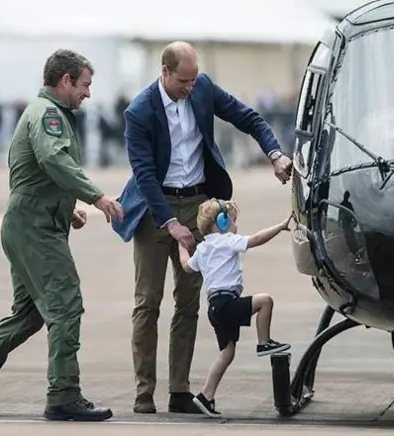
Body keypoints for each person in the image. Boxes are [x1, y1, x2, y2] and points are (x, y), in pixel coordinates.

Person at [111, 40, 293, 414]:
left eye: (194, 80)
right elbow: (144, 174)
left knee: (189, 301)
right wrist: (170, 222)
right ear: (164, 72)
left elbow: (249, 118)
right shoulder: (140, 112)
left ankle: (179, 391)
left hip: (197, 204)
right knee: (148, 303)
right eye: (183, 81)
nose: (190, 87)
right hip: (154, 207)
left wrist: (275, 153)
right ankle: (144, 392)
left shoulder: (203, 87)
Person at [0, 48, 124, 422]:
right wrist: (96, 197)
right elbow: (54, 160)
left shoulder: (44, 113)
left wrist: (66, 205)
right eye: (85, 85)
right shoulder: (48, 116)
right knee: (66, 304)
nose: (88, 93)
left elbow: (35, 173)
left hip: (31, 221)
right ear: (65, 81)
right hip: (34, 229)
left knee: (29, 313)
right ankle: (63, 395)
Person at [177, 198, 293, 417]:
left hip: (214, 307)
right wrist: (281, 226)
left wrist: (181, 246)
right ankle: (263, 343)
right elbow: (256, 239)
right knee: (265, 300)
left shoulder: (202, 248)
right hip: (227, 302)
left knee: (227, 353)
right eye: (233, 220)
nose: (236, 224)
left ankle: (205, 396)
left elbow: (186, 267)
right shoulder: (227, 240)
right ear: (221, 222)